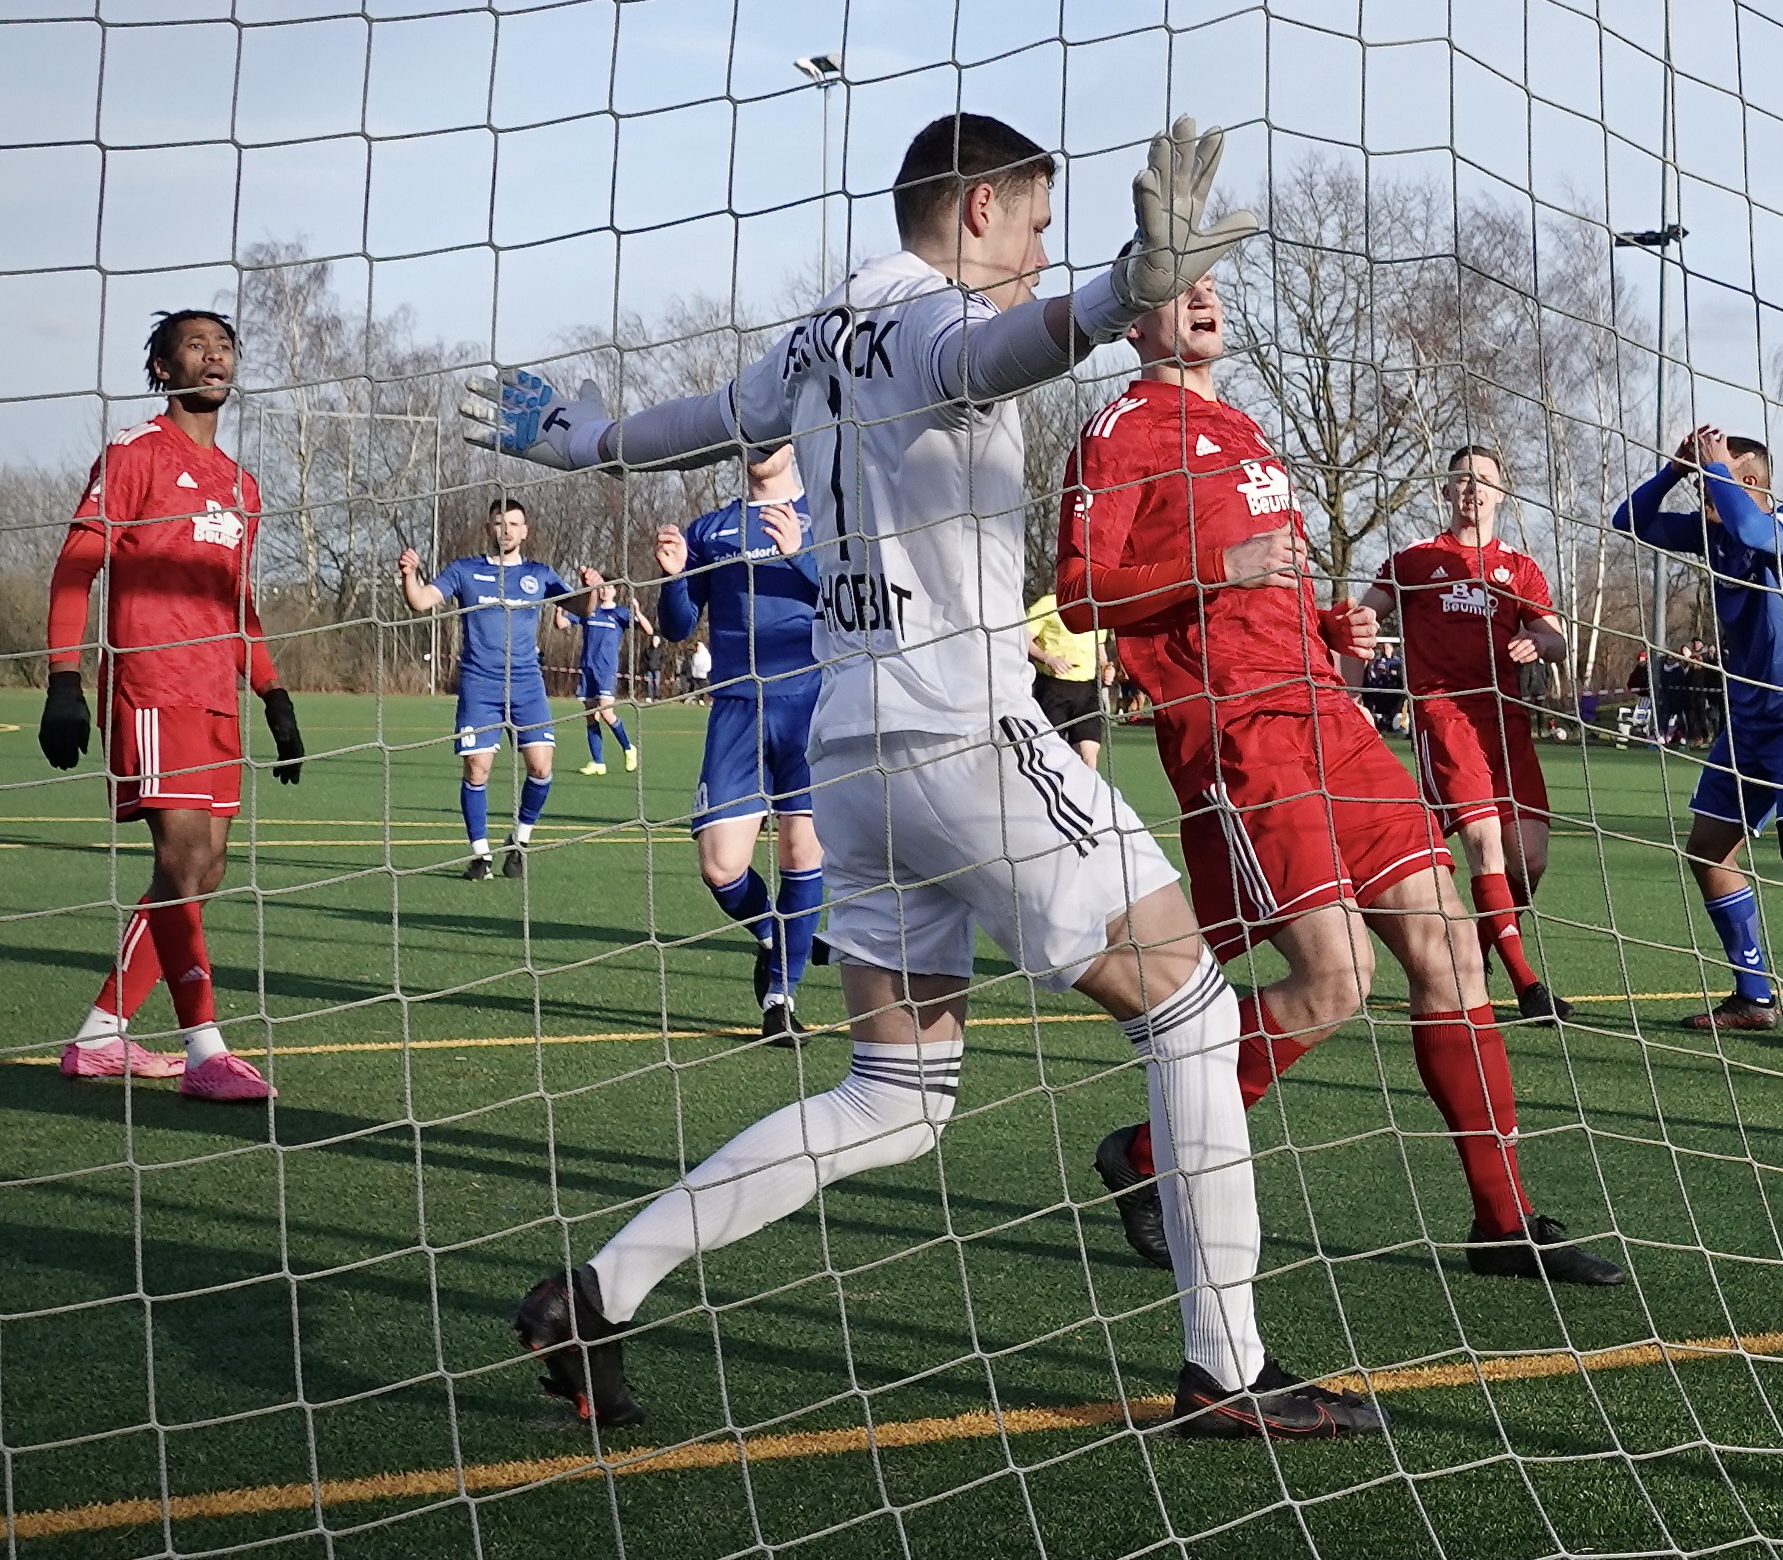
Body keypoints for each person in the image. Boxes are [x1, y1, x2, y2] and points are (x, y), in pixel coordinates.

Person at [470, 111, 1377, 1439]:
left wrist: (584, 442)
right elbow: (1023, 336)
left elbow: (701, 422)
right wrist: (1128, 282)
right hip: (966, 736)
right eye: (1033, 219)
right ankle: (1225, 1365)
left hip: (852, 758)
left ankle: (601, 1289)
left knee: (893, 1094)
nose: (1039, 243)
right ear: (973, 215)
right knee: (1195, 1015)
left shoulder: (815, 333)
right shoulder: (936, 323)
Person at [1062, 275, 1623, 1289]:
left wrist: (1332, 627)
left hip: (1332, 718)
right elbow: (1080, 593)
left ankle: (1501, 1221)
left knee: (1452, 952)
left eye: (1211, 284)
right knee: (1335, 979)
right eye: (1174, 286)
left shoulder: (1244, 427)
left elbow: (1262, 590)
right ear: (1130, 315)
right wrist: (1219, 562)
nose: (1203, 298)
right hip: (1241, 732)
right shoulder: (1117, 428)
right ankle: (1144, 1157)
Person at [40, 308, 303, 1102]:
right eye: (195, 344)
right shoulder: (134, 453)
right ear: (163, 367)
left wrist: (274, 692)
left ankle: (100, 1036)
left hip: (215, 695)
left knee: (206, 867)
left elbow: (239, 605)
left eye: (223, 345)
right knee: (183, 861)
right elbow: (74, 566)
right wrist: (64, 678)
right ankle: (206, 1051)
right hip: (153, 688)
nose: (214, 356)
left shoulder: (242, 485)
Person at [1613, 428, 1783, 1050]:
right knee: (1707, 848)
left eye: (1714, 480)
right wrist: (1676, 471)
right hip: (1748, 718)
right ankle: (1754, 995)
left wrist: (1717, 470)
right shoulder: (1716, 531)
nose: (1706, 492)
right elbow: (1631, 520)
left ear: (1747, 480)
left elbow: (1754, 532)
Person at [1362, 445, 1571, 1026]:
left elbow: (1554, 639)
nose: (1472, 489)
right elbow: (1363, 618)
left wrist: (1541, 644)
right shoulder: (1414, 559)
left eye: (1484, 480)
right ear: (1446, 491)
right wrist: (1348, 693)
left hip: (1505, 722)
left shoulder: (1519, 569)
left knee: (1527, 858)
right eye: (1462, 479)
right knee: (1483, 845)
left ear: (1501, 493)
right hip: (1443, 717)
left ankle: (1475, 960)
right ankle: (1528, 987)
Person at [654, 446, 826, 1041]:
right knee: (721, 867)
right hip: (736, 710)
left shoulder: (826, 515)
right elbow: (677, 626)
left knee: (802, 853)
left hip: (811, 705)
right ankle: (772, 933)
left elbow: (852, 602)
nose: (760, 449)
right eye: (749, 438)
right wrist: (674, 578)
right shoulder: (710, 528)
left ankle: (781, 998)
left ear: (793, 443)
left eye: (772, 438)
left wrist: (801, 558)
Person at [400, 500, 586, 884]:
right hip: (479, 684)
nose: (507, 530)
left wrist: (594, 590)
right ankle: (480, 855)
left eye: (514, 524)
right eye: (500, 524)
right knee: (477, 768)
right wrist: (409, 574)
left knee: (541, 767)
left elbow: (580, 607)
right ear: (489, 529)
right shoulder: (465, 571)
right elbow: (420, 602)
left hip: (527, 684)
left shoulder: (540, 575)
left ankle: (519, 841)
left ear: (525, 530)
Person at [559, 569, 650, 777]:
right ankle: (598, 762)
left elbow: (648, 630)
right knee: (591, 716)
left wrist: (638, 612)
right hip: (587, 669)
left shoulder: (621, 613)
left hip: (606, 670)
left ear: (615, 591)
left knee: (607, 713)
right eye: (601, 587)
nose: (604, 591)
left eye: (608, 587)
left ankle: (628, 748)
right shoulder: (589, 611)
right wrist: (559, 611)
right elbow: (561, 624)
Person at [1023, 588, 1109, 770]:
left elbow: (1100, 650)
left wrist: (1105, 668)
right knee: (1049, 756)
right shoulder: (1049, 604)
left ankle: (1083, 797)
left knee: (1088, 754)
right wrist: (1048, 659)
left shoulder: (1097, 609)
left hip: (1087, 691)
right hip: (1053, 689)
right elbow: (1022, 638)